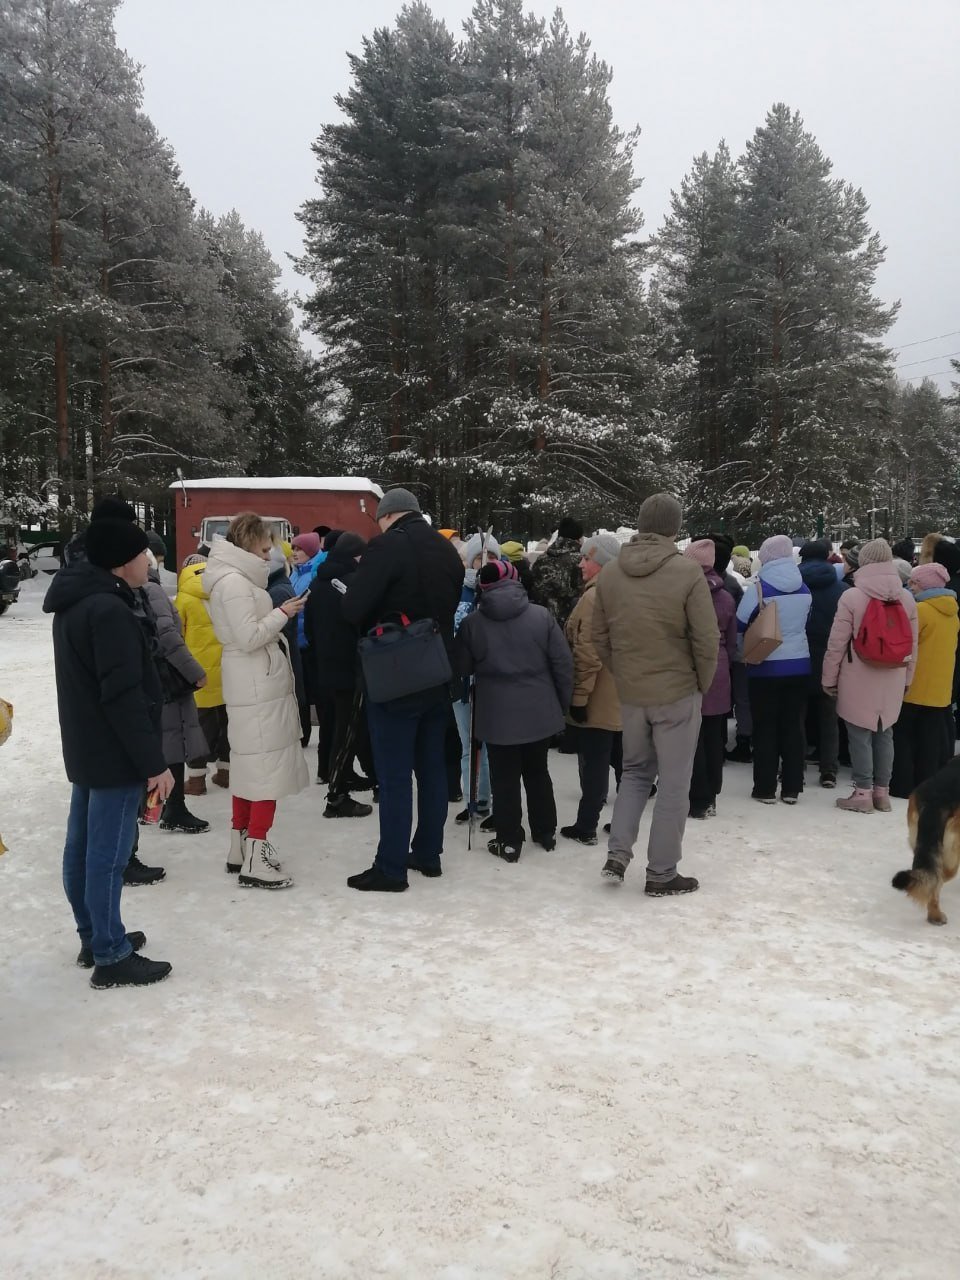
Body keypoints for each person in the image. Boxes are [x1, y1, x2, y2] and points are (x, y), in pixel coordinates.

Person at [44, 517, 173, 989]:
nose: (149, 561)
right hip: (114, 750)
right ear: (123, 561)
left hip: (86, 745)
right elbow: (122, 696)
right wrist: (154, 764)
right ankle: (111, 954)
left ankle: (94, 935)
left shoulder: (76, 602)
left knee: (82, 848)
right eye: (143, 554)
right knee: (107, 854)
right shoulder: (109, 611)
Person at [592, 493, 718, 894]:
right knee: (674, 784)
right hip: (677, 690)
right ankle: (662, 873)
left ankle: (617, 854)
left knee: (634, 773)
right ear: (675, 528)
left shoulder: (610, 574)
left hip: (633, 692)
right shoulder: (687, 572)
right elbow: (706, 638)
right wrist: (702, 682)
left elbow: (599, 635)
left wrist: (623, 672)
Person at [341, 487, 464, 890]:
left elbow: (354, 608)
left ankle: (391, 867)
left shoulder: (384, 548)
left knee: (394, 774)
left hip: (393, 673)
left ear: (388, 516)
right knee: (431, 768)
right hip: (437, 669)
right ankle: (428, 853)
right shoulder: (446, 550)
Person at [203, 514, 309, 888]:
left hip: (253, 681)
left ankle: (241, 846)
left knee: (251, 767)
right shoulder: (233, 582)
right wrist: (283, 613)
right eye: (265, 548)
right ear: (248, 543)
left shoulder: (233, 579)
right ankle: (255, 852)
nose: (268, 557)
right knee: (265, 771)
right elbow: (248, 637)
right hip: (255, 682)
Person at [456, 561, 573, 860]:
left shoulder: (473, 623)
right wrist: (562, 703)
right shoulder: (541, 615)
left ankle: (509, 841)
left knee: (504, 777)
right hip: (538, 706)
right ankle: (545, 832)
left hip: (496, 712)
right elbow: (562, 663)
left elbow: (463, 667)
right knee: (537, 771)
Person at [822, 538, 918, 814]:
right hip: (894, 674)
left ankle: (862, 792)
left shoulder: (852, 596)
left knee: (859, 731)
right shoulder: (906, 597)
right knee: (884, 731)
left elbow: (837, 643)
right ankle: (882, 793)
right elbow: (912, 645)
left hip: (858, 673)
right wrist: (908, 678)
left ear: (863, 562)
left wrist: (829, 678)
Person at [305, 532, 377, 818]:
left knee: (337, 728)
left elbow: (309, 629)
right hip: (350, 669)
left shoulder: (318, 583)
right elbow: (362, 624)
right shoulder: (350, 583)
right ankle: (336, 797)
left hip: (325, 667)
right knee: (348, 732)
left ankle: (344, 776)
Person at [736, 535, 812, 805]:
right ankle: (792, 787)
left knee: (765, 727)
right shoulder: (804, 587)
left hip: (765, 665)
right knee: (793, 726)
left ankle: (765, 788)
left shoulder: (759, 586)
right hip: (800, 664)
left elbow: (741, 622)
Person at [142, 550, 210, 833]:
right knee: (174, 743)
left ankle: (151, 810)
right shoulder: (153, 590)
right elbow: (168, 636)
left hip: (153, 679)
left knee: (161, 744)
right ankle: (173, 808)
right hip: (168, 680)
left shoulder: (135, 591)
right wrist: (194, 672)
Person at [560, 534, 622, 845]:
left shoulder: (594, 597)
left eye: (587, 559)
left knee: (595, 760)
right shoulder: (623, 590)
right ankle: (624, 821)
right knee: (623, 758)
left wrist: (579, 697)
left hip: (600, 691)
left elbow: (586, 652)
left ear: (602, 564)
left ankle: (586, 826)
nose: (581, 563)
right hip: (622, 690)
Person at [890, 562, 958, 797]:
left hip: (917, 685)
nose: (911, 586)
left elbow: (905, 643)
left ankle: (901, 785)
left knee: (904, 736)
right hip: (940, 688)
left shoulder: (921, 611)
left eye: (914, 582)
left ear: (925, 585)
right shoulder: (952, 612)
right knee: (929, 740)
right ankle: (926, 784)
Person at [451, 532, 503, 823]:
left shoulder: (506, 591)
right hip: (462, 681)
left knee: (493, 743)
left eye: (491, 558)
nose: (485, 563)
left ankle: (496, 796)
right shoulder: (459, 592)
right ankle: (475, 798)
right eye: (479, 558)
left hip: (493, 682)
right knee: (468, 743)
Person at [684, 540, 736, 819]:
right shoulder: (726, 597)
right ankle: (712, 794)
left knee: (694, 737)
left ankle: (696, 797)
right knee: (714, 736)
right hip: (720, 669)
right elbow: (731, 640)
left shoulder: (685, 594)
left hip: (692, 669)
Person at [175, 553, 230, 796]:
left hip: (198, 673)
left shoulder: (183, 600)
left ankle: (197, 780)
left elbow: (177, 637)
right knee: (227, 723)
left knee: (198, 726)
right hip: (227, 668)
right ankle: (226, 773)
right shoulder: (222, 593)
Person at [798, 538, 849, 788]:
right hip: (831, 659)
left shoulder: (794, 586)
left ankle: (795, 765)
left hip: (798, 658)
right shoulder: (841, 589)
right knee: (829, 718)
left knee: (796, 716)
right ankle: (829, 769)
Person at [290, 532, 331, 776]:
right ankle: (303, 733)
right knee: (300, 691)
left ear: (312, 551)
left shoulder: (315, 572)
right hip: (299, 641)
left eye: (300, 549)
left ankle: (322, 733)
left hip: (311, 642)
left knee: (316, 691)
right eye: (293, 549)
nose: (295, 553)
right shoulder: (296, 572)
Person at [529, 516, 584, 628]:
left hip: (539, 621)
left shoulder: (541, 559)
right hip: (568, 623)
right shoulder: (580, 561)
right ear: (577, 539)